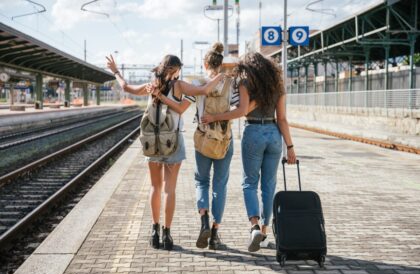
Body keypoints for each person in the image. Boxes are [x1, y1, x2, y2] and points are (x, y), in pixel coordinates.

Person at [106, 54, 224, 250]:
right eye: (178, 70)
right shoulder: (179, 86)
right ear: (175, 69)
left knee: (155, 187)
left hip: (152, 142)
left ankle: (154, 232)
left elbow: (126, 87)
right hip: (173, 142)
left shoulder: (151, 85)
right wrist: (221, 76)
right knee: (169, 190)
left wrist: (116, 71)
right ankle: (167, 235)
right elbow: (203, 90)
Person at [201, 52, 297, 252]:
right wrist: (290, 147)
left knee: (249, 183)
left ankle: (254, 226)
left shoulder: (245, 81)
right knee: (269, 185)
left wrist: (216, 117)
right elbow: (282, 119)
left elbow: (242, 110)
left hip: (253, 131)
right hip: (274, 134)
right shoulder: (277, 85)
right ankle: (264, 231)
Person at [154, 43, 245, 250]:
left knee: (201, 182)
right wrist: (220, 116)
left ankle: (203, 218)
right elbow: (239, 109)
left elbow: (184, 105)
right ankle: (214, 233)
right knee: (219, 186)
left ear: (205, 64)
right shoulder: (231, 83)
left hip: (202, 139)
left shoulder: (197, 82)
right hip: (223, 140)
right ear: (221, 64)